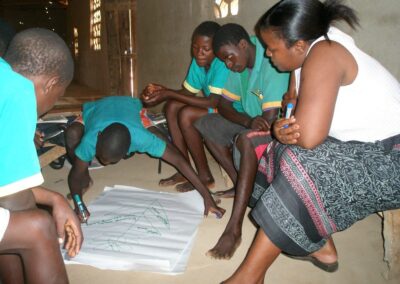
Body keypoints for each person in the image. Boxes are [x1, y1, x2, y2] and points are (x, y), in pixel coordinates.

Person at [222, 0, 400, 283]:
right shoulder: (305, 59)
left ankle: (248, 278)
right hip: (367, 146)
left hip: (392, 158)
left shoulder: (325, 53)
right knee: (277, 149)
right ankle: (320, 243)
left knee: (303, 164)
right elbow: (294, 116)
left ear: (299, 46)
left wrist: (285, 130)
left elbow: (308, 137)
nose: (268, 54)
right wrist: (283, 128)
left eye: (272, 47)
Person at [194, 23, 290, 259]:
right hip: (250, 122)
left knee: (246, 140)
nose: (228, 64)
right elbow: (223, 106)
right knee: (205, 124)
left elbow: (268, 121)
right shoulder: (239, 68)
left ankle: (234, 228)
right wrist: (246, 122)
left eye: (229, 57)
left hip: (276, 131)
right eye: (224, 60)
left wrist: (248, 126)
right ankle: (241, 185)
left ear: (243, 45)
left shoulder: (270, 64)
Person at [0, 28, 83, 284]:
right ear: (51, 84)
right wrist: (54, 207)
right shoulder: (20, 93)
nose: (47, 111)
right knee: (39, 227)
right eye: (57, 98)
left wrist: (55, 198)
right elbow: (12, 202)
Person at [65, 95, 225, 223]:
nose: (103, 163)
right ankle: (86, 181)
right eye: (101, 157)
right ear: (98, 138)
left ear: (130, 149)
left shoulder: (141, 138)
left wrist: (207, 197)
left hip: (129, 106)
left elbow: (179, 161)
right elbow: (74, 176)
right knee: (71, 134)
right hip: (97, 108)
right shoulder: (91, 139)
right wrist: (79, 205)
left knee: (161, 139)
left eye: (111, 161)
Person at [141, 21, 230, 192]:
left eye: (206, 49)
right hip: (216, 107)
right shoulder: (199, 62)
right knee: (172, 106)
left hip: (230, 111)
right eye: (195, 47)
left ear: (218, 48)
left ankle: (205, 177)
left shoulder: (222, 64)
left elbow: (213, 102)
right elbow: (188, 92)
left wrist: (168, 93)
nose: (199, 53)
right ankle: (184, 169)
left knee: (186, 114)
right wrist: (162, 91)